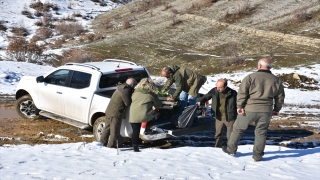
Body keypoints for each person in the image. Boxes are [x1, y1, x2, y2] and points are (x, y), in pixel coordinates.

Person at [222, 58, 285, 162]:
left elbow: (242, 93)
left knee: (238, 129)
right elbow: (280, 97)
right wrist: (276, 109)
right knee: (261, 132)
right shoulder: (276, 80)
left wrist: (240, 106)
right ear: (270, 67)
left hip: (249, 109)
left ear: (259, 66)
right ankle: (257, 156)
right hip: (266, 110)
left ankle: (231, 150)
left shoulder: (250, 77)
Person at [197, 78, 237, 148]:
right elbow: (206, 96)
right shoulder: (214, 91)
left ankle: (230, 148)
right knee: (218, 134)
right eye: (217, 86)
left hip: (230, 117)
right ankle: (218, 146)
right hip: (219, 117)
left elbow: (239, 102)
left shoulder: (233, 93)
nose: (218, 89)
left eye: (220, 87)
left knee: (230, 135)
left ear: (225, 87)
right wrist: (200, 100)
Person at [100, 78, 137, 148]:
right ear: (132, 85)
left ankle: (101, 143)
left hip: (109, 111)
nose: (135, 86)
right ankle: (111, 146)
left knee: (107, 129)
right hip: (116, 113)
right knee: (114, 131)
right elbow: (128, 103)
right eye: (134, 85)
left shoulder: (121, 87)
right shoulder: (126, 90)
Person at [129, 78, 162, 152]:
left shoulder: (135, 92)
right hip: (145, 115)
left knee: (135, 131)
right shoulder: (151, 93)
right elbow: (159, 105)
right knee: (156, 115)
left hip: (133, 114)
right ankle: (149, 131)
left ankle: (135, 147)